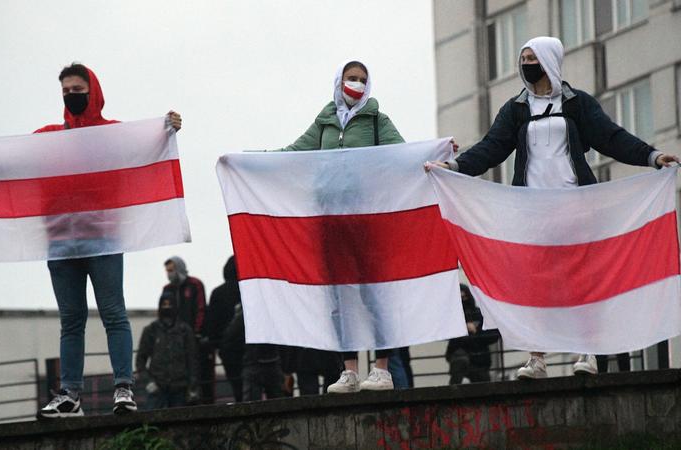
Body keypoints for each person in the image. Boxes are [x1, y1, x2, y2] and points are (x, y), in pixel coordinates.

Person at [426, 37, 679, 380]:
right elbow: (490, 148)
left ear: (548, 61)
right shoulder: (516, 108)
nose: (526, 64)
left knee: (582, 281)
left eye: (532, 57)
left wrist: (651, 156)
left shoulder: (576, 104)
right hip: (531, 211)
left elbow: (611, 137)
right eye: (523, 58)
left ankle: (586, 351)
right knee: (535, 285)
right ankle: (536, 357)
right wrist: (453, 168)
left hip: (576, 206)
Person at [37, 63, 182, 418]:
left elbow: (144, 142)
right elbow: (8, 161)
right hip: (61, 242)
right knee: (71, 321)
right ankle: (70, 394)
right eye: (66, 92)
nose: (72, 96)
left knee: (113, 314)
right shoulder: (48, 137)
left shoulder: (112, 134)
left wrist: (166, 127)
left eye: (77, 90)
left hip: (102, 238)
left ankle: (123, 388)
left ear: (93, 91)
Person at [282, 60, 418, 394]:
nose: (355, 84)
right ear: (339, 81)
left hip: (366, 218)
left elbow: (403, 154)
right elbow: (293, 154)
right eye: (350, 78)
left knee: (374, 293)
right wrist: (249, 160)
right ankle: (350, 371)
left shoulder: (376, 121)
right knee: (339, 296)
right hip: (331, 219)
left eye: (361, 79)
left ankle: (382, 369)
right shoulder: (325, 122)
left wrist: (440, 153)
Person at [162, 256, 214, 404]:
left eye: (171, 270)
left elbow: (200, 308)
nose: (169, 274)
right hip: (175, 340)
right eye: (167, 271)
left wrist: (196, 332)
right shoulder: (167, 289)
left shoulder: (195, 285)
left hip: (193, 338)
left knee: (198, 372)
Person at [136, 293, 199, 410]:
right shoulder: (151, 330)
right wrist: (148, 382)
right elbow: (140, 360)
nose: (167, 307)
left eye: (170, 304)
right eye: (164, 304)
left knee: (179, 424)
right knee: (151, 422)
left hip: (179, 388)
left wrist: (192, 386)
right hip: (156, 387)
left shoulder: (185, 331)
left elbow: (192, 359)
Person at [223, 303, 285, 401]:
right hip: (273, 360)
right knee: (278, 401)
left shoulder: (246, 313)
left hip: (252, 361)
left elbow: (230, 337)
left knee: (251, 404)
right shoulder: (274, 311)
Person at [206, 256, 244, 402]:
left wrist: (216, 344)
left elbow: (212, 323)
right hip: (249, 347)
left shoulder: (218, 293)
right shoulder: (248, 291)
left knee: (236, 385)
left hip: (227, 348)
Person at [445, 285, 500, 384]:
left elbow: (493, 335)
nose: (463, 301)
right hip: (464, 360)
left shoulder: (479, 314)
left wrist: (476, 332)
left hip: (479, 361)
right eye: (460, 299)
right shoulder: (453, 318)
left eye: (464, 298)